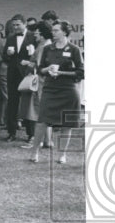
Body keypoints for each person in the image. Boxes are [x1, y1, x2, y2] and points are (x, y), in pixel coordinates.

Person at [29, 20, 83, 164]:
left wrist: (61, 73)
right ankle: (34, 152)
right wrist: (47, 69)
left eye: (56, 30)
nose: (53, 33)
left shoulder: (74, 49)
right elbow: (40, 69)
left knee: (67, 124)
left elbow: (81, 72)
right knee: (42, 121)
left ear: (64, 32)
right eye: (52, 30)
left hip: (68, 90)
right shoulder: (47, 49)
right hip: (50, 89)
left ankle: (62, 155)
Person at [2, 14, 34, 142]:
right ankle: (11, 132)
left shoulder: (33, 36)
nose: (15, 27)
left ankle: (31, 133)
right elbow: (4, 57)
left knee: (29, 103)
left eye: (18, 25)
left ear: (25, 24)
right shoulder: (10, 37)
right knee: (12, 103)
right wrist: (8, 54)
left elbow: (37, 56)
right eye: (13, 25)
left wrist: (31, 55)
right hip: (13, 74)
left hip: (27, 74)